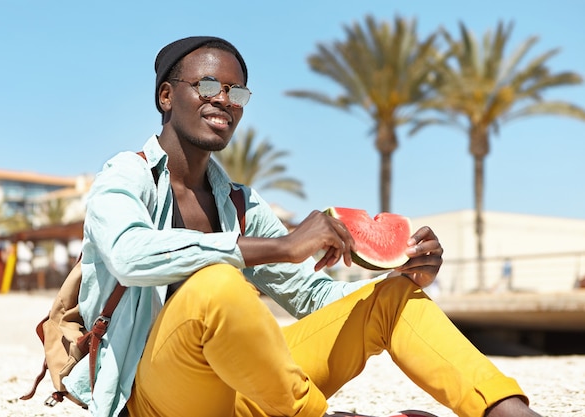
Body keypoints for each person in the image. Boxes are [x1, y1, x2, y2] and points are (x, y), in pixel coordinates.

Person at [63, 36, 542, 417]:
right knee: (216, 284)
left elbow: (314, 300)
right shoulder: (125, 176)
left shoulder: (240, 203)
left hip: (247, 396)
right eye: (209, 87)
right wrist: (284, 247)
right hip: (157, 400)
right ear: (167, 95)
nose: (225, 102)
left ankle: (506, 410)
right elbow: (130, 256)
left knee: (390, 300)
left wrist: (399, 273)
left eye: (237, 93)